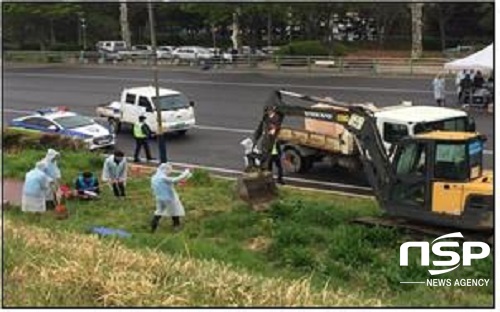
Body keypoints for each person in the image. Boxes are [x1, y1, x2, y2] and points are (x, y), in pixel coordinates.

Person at [150, 163, 192, 233]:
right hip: (168, 198)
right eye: (168, 170)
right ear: (164, 169)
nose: (169, 172)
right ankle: (176, 227)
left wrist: (185, 177)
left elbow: (171, 182)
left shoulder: (154, 177)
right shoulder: (163, 177)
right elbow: (175, 180)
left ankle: (153, 228)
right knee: (175, 212)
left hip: (159, 198)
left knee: (158, 212)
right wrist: (186, 173)